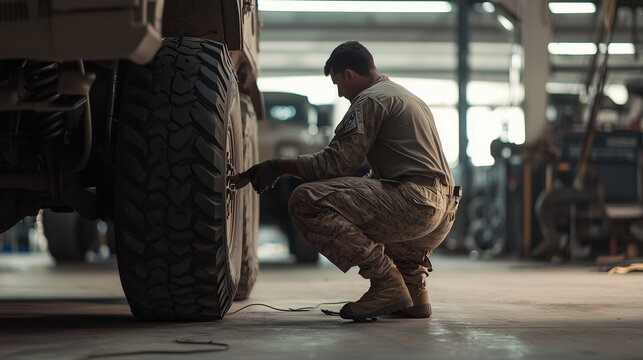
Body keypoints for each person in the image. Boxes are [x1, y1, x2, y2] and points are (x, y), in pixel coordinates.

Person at [230, 41, 461, 320]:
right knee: (369, 197)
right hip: (442, 212)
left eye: (338, 84)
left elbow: (334, 164)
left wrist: (277, 165)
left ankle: (385, 282)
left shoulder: (369, 100)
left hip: (415, 204)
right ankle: (413, 293)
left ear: (349, 74)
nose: (340, 94)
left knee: (307, 200)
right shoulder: (405, 96)